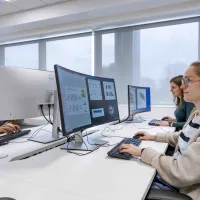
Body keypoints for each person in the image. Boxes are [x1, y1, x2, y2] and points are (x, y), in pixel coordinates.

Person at [120, 61, 200, 200]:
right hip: (178, 173)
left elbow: (181, 171)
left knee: (125, 181)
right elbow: (183, 136)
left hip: (182, 187)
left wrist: (143, 152)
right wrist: (154, 137)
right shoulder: (196, 114)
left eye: (188, 80)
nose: (182, 86)